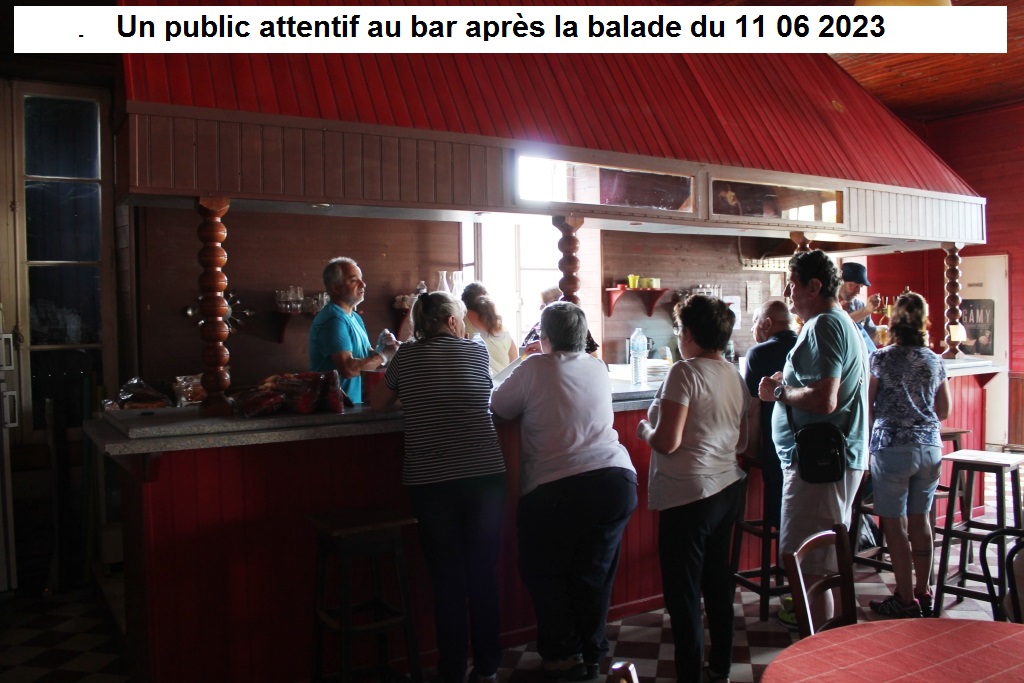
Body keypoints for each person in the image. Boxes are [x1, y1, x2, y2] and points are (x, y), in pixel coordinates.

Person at [491, 302, 637, 680]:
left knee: (545, 573)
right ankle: (592, 653)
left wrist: (525, 360)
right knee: (593, 575)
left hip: (556, 489)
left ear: (545, 336)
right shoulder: (597, 366)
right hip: (615, 482)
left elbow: (498, 404)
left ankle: (562, 655)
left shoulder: (534, 367)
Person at [369, 291, 506, 683]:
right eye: (461, 318)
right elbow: (481, 394)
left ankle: (451, 670)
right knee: (482, 574)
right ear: (450, 321)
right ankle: (488, 668)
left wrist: (412, 397)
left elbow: (378, 403)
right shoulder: (476, 351)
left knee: (447, 579)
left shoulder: (406, 357)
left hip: (432, 483)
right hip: (484, 478)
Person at [636, 295, 748, 683]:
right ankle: (720, 666)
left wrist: (645, 430)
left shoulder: (684, 372)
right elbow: (742, 442)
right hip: (726, 489)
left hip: (689, 495)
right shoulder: (734, 374)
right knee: (717, 585)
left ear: (688, 333)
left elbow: (667, 442)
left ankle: (689, 675)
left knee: (683, 594)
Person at [757, 250, 869, 628]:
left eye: (793, 284)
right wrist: (788, 385)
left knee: (808, 565)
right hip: (825, 462)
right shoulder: (838, 322)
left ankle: (818, 651)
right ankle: (826, 647)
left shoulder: (824, 324)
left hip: (821, 464)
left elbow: (825, 399)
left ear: (815, 286)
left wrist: (778, 392)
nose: (788, 293)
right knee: (816, 564)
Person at [867, 291, 951, 619]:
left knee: (894, 525)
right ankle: (923, 591)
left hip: (891, 448)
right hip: (929, 447)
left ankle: (903, 598)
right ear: (924, 321)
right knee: (921, 520)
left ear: (893, 320)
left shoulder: (881, 358)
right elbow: (944, 409)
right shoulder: (935, 360)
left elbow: (869, 405)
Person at [308, 257, 397, 403]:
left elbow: (365, 360)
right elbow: (348, 369)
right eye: (354, 280)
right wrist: (383, 355)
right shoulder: (333, 320)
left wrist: (384, 348)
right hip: (332, 409)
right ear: (336, 288)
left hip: (352, 406)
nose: (363, 284)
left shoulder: (354, 317)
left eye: (361, 279)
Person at [743, 300, 798, 530]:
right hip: (808, 449)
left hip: (775, 451)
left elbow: (753, 408)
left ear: (767, 323)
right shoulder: (804, 345)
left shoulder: (758, 353)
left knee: (781, 519)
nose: (752, 328)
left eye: (755, 322)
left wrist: (753, 450)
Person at [461, 281, 518, 375]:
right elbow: (514, 365)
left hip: (479, 382)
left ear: (463, 300)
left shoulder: (462, 321)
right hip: (504, 383)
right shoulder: (502, 329)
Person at [838, 261, 880, 350]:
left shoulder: (860, 305)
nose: (858, 291)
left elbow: (870, 336)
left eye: (861, 286)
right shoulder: (827, 305)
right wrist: (865, 311)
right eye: (854, 285)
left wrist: (886, 336)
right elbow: (838, 325)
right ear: (840, 282)